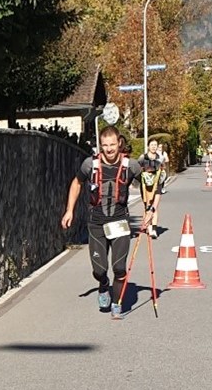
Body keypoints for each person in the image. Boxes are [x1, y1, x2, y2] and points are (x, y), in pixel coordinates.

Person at [61, 126, 149, 319]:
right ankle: (103, 285)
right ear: (101, 145)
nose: (109, 149)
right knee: (99, 270)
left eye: (112, 145)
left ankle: (117, 305)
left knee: (119, 268)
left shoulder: (130, 165)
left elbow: (146, 184)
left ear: (119, 143)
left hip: (119, 222)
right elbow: (77, 183)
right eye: (105, 145)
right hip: (96, 223)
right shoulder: (90, 164)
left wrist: (149, 209)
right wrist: (69, 210)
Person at [138, 139, 163, 237]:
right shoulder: (142, 157)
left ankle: (154, 229)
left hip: (157, 183)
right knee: (147, 206)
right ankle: (148, 226)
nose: (153, 147)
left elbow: (163, 168)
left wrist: (162, 176)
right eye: (152, 145)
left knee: (154, 207)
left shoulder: (160, 158)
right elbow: (137, 169)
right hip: (146, 185)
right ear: (148, 146)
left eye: (155, 145)